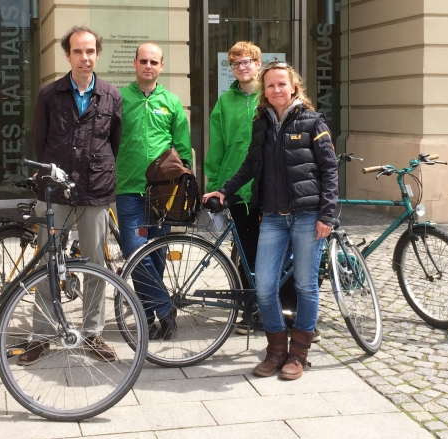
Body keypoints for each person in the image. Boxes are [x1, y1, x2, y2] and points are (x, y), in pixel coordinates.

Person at [202, 62, 338, 380]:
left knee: (305, 286)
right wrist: (225, 190)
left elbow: (329, 169)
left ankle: (298, 355)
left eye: (281, 84)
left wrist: (327, 213)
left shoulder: (312, 120)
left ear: (293, 87)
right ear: (264, 91)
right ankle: (276, 350)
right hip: (273, 218)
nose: (276, 90)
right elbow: (251, 163)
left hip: (306, 216)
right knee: (264, 287)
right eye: (270, 86)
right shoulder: (261, 122)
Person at [18, 25, 123, 365]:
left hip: (95, 190)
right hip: (54, 191)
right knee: (48, 262)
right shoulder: (50, 95)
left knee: (97, 265)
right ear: (68, 55)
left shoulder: (111, 95)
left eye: (90, 51)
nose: (85, 57)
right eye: (78, 51)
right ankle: (43, 334)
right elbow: (40, 141)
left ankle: (92, 333)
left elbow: (114, 143)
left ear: (97, 54)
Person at [115, 42, 192, 340]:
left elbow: (182, 146)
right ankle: (164, 306)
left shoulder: (171, 102)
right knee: (135, 252)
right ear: (134, 63)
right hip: (128, 189)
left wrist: (185, 181)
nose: (148, 65)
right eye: (143, 60)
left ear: (161, 66)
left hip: (165, 193)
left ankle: (146, 318)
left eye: (154, 62)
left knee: (157, 255)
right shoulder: (118, 99)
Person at [204, 41, 261, 335]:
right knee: (246, 251)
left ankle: (278, 308)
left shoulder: (272, 94)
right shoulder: (225, 102)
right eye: (235, 63)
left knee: (277, 249)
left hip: (268, 188)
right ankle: (250, 311)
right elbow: (217, 147)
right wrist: (214, 186)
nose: (241, 67)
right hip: (237, 186)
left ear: (258, 63)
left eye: (246, 61)